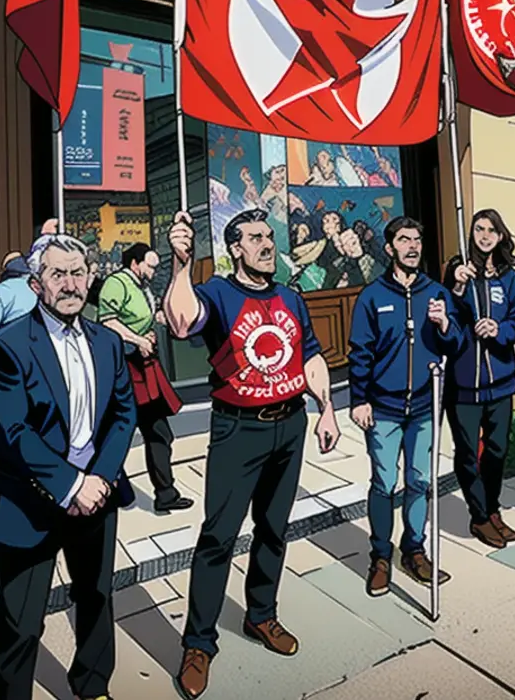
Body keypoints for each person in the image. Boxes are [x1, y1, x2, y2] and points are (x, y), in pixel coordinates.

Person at [162, 209, 341, 700]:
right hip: (238, 430)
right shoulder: (218, 292)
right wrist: (181, 265)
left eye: (269, 236)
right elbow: (180, 324)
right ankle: (199, 643)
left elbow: (310, 354)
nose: (267, 244)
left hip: (290, 425)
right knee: (218, 536)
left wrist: (325, 408)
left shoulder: (290, 296)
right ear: (235, 248)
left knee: (274, 529)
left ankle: (262, 615)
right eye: (255, 238)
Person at [0, 233, 138, 700]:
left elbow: (123, 413)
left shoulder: (108, 341)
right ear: (35, 284)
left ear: (90, 278)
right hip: (31, 502)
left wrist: (100, 480)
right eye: (57, 274)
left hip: (98, 496)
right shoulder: (7, 345)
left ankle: (93, 687)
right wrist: (71, 486)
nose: (70, 284)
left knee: (96, 599)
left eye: (78, 272)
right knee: (21, 622)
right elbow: (12, 432)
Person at [348, 216, 464, 596]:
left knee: (420, 481)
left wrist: (446, 324)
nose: (413, 246)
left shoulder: (437, 292)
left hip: (425, 408)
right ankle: (380, 556)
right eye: (404, 240)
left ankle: (414, 550)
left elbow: (457, 344)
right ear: (389, 248)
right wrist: (359, 399)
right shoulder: (372, 296)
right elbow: (360, 352)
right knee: (384, 484)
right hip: (382, 408)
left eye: (417, 239)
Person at [443, 210, 515, 549]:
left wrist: (500, 329)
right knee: (467, 453)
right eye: (479, 229)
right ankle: (478, 517)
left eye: (491, 229)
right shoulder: (457, 268)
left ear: (501, 235)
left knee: (497, 450)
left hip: (501, 379)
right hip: (464, 383)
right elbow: (443, 316)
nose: (484, 235)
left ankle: (492, 509)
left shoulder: (509, 277)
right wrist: (457, 286)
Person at [97, 242, 192, 514]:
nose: (153, 271)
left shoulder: (142, 287)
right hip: (125, 369)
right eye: (150, 265)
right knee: (119, 433)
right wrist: (138, 339)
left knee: (158, 432)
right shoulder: (117, 283)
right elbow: (109, 322)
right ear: (135, 263)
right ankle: (114, 489)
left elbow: (144, 317)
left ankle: (165, 493)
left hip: (144, 366)